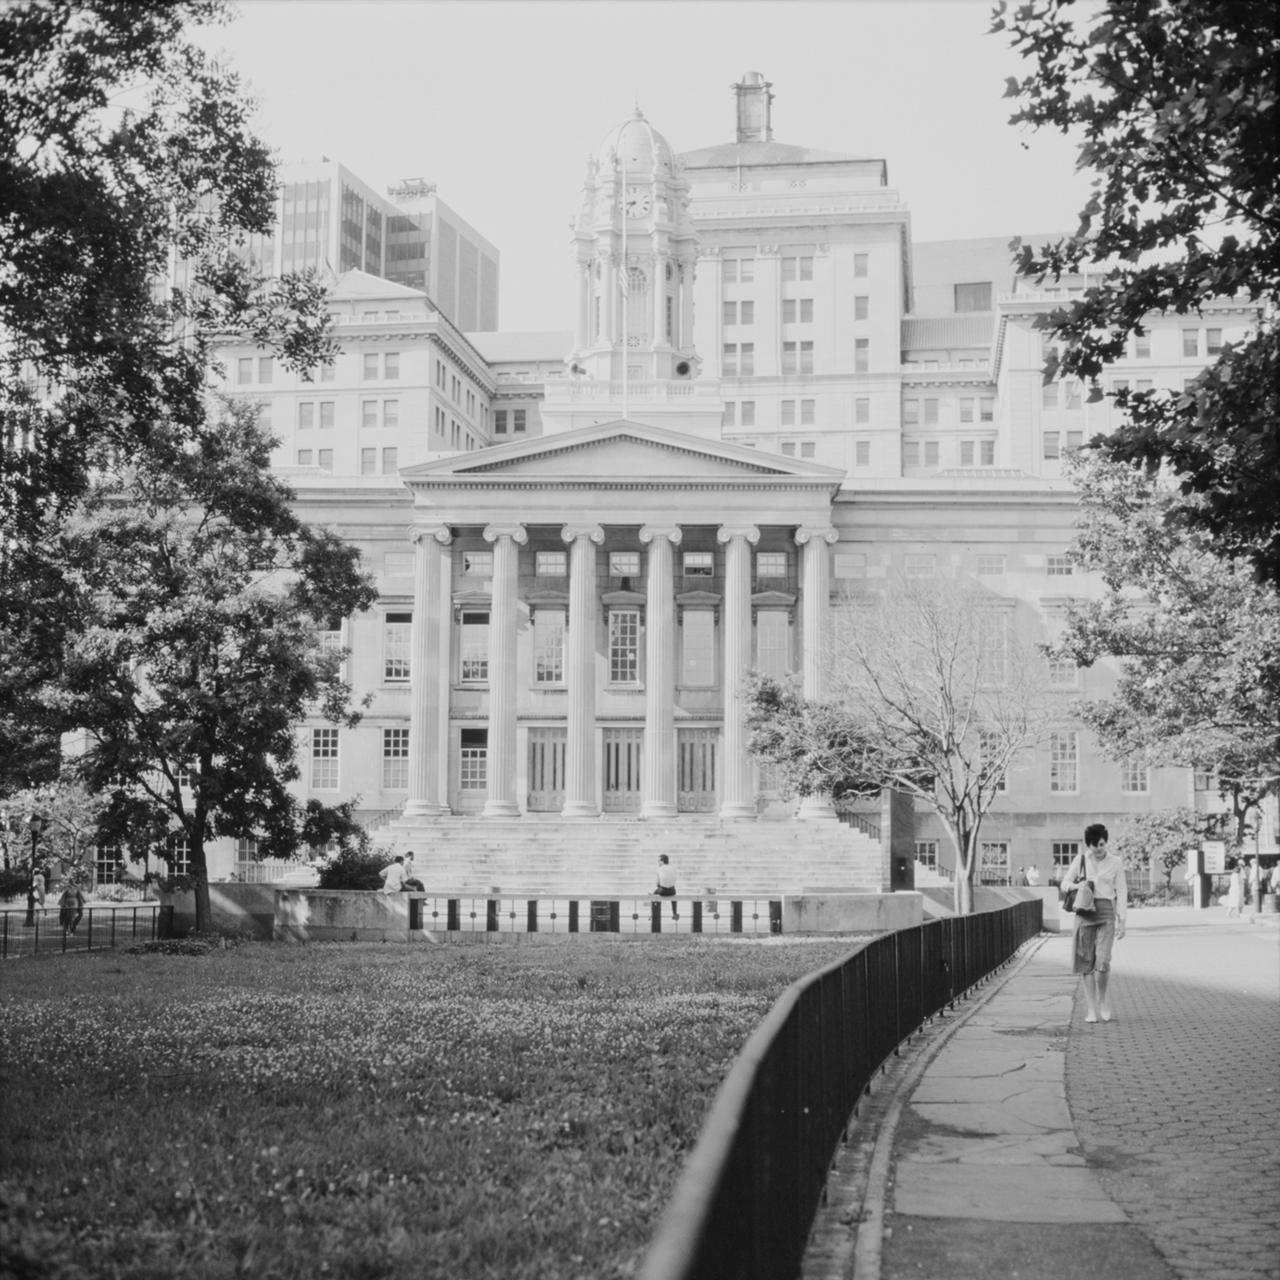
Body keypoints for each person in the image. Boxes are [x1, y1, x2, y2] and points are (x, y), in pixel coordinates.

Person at [1067, 823, 1127, 1024]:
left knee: (1102, 963)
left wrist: (1123, 920)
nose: (1098, 849)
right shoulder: (1081, 859)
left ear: (1106, 841)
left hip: (1106, 913)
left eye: (1101, 844)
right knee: (1086, 964)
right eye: (1094, 845)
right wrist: (1079, 884)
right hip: (1085, 913)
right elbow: (1064, 883)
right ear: (1088, 844)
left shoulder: (1115, 862)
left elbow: (1122, 891)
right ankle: (1091, 1009)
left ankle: (1103, 1001)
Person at [652, 853, 678, 920]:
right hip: (672, 891)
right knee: (674, 896)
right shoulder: (673, 868)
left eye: (659, 861)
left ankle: (655, 913)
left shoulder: (659, 869)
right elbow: (674, 880)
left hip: (663, 890)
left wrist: (661, 886)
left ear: (662, 861)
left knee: (654, 895)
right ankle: (674, 913)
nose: (658, 862)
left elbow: (657, 883)